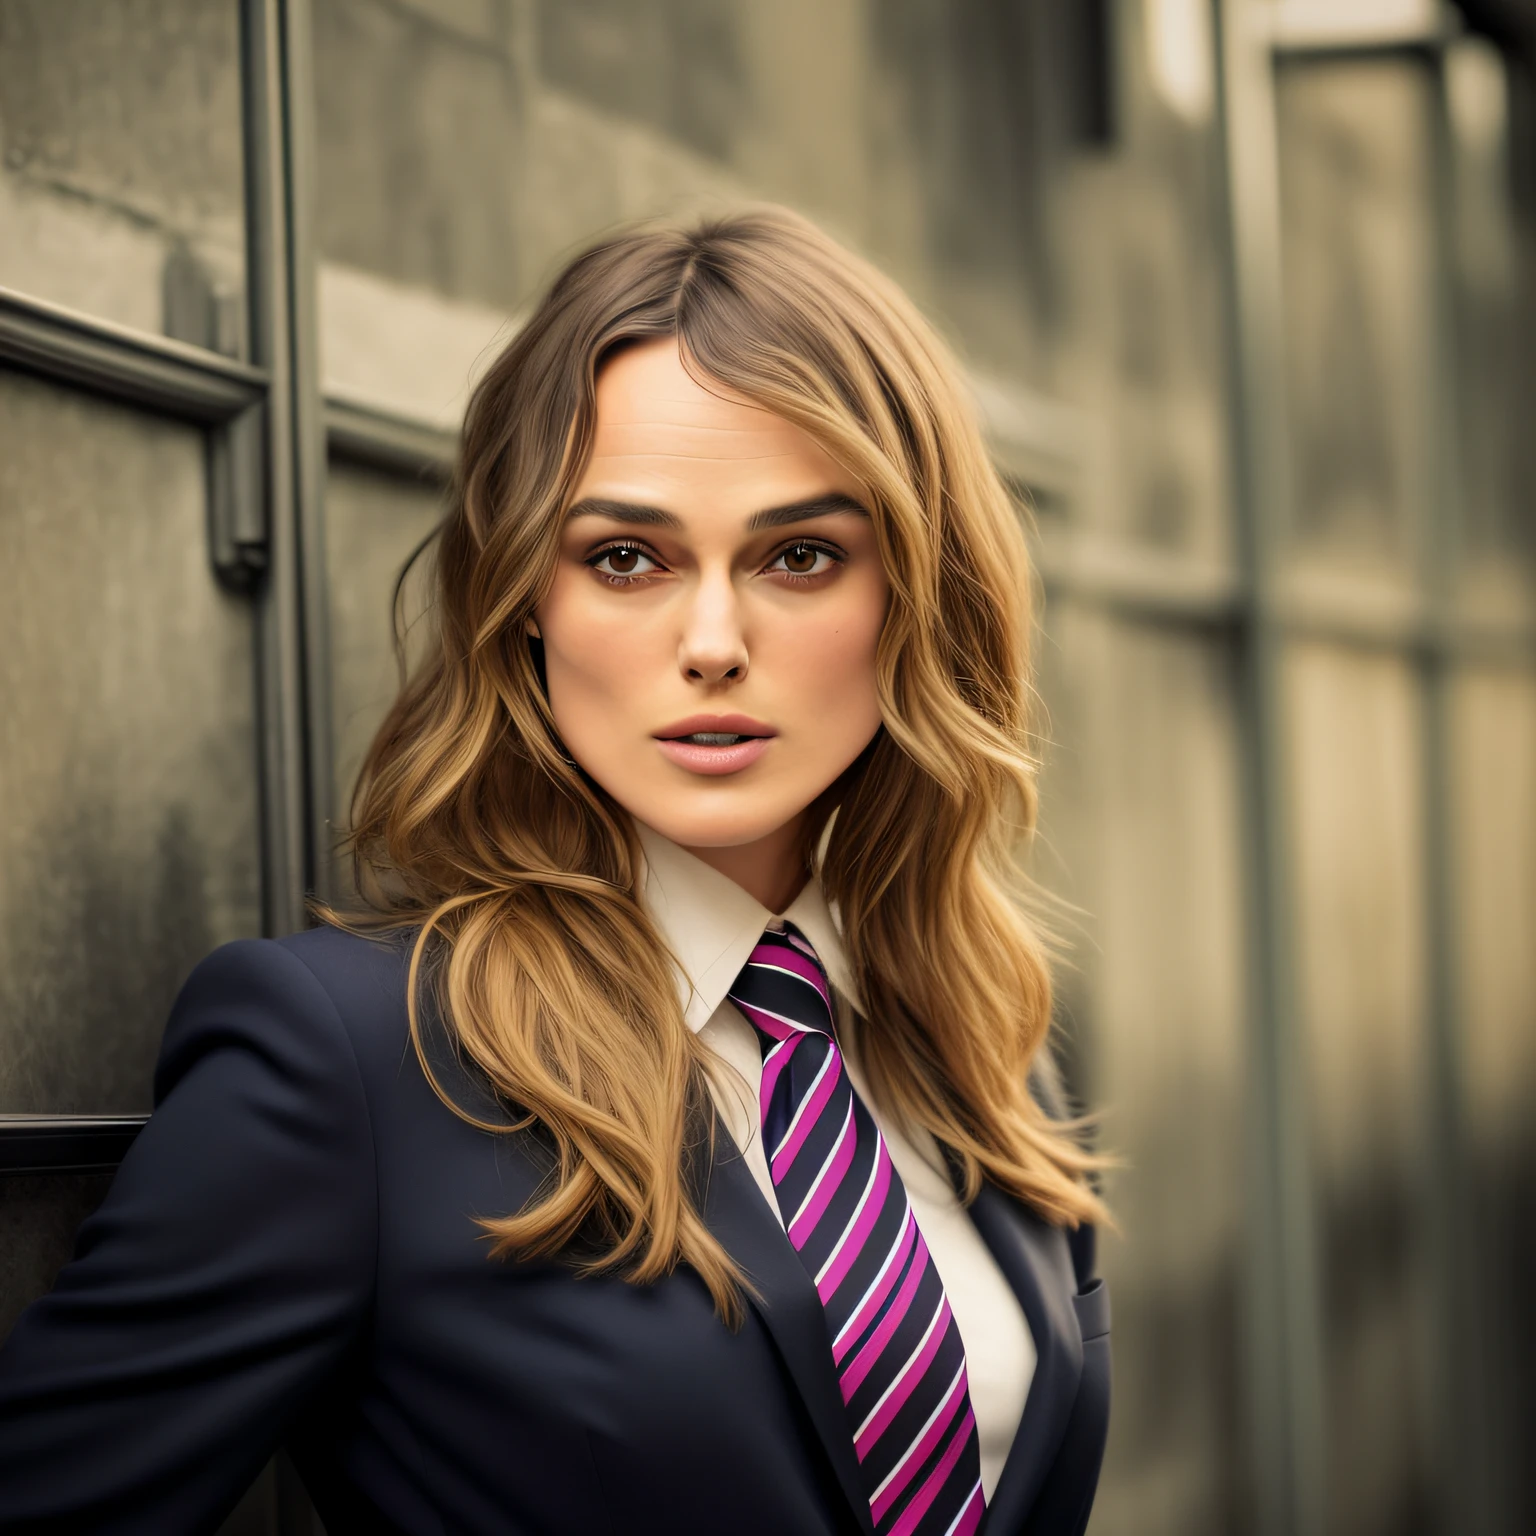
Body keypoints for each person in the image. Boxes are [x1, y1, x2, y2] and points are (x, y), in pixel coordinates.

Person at [0, 208, 1110, 1535]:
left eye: (799, 555)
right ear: (528, 592)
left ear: (915, 592)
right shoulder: (349, 1061)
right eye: (626, 557)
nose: (714, 640)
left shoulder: (990, 1043)